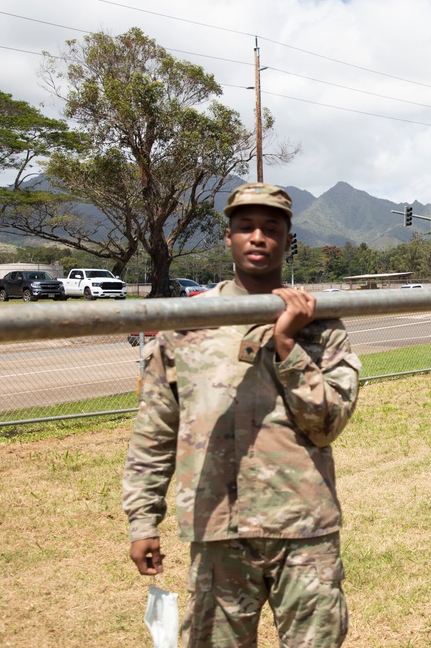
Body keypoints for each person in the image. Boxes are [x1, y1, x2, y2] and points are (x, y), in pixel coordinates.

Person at [122, 182, 362, 648]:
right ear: (227, 237)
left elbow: (327, 425)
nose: (257, 237)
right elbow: (154, 432)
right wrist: (142, 522)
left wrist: (289, 345)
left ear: (288, 241)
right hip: (218, 529)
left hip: (303, 527)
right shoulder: (186, 325)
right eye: (245, 227)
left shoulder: (322, 326)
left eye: (271, 228)